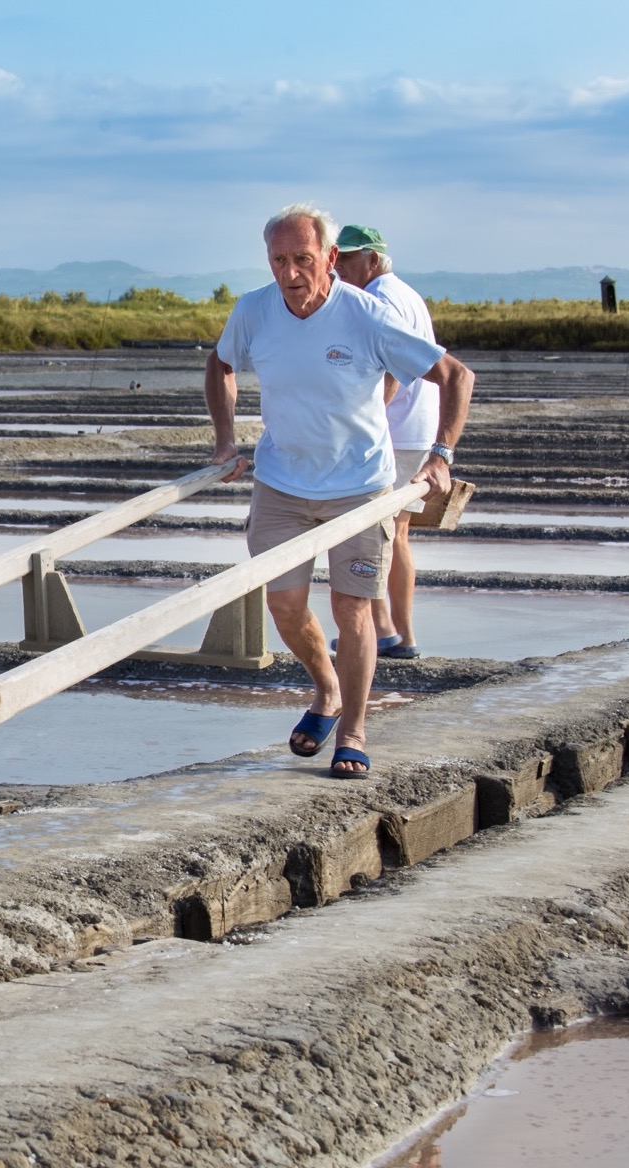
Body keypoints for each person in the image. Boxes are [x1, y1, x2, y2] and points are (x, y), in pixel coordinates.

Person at [205, 204, 474, 777]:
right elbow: (220, 364)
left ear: (330, 258)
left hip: (359, 486)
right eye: (279, 261)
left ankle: (352, 728)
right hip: (281, 481)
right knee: (283, 604)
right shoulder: (254, 310)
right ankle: (326, 689)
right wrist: (226, 441)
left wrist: (440, 457)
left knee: (352, 610)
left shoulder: (367, 315)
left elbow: (454, 375)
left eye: (303, 259)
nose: (291, 273)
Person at [335, 224, 435, 660]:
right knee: (395, 534)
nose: (337, 267)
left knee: (370, 532)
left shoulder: (379, 299)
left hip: (392, 432)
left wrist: (364, 421)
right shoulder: (407, 293)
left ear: (372, 260)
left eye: (347, 259)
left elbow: (389, 370)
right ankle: (398, 632)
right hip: (414, 428)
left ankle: (380, 630)